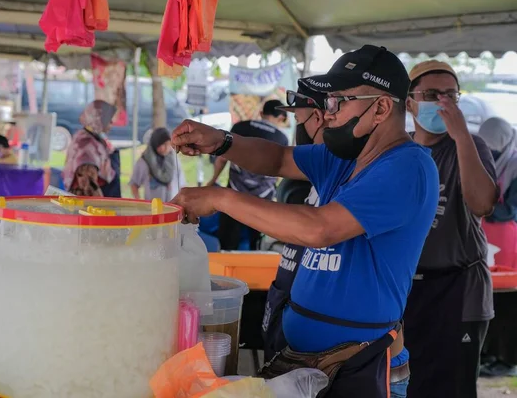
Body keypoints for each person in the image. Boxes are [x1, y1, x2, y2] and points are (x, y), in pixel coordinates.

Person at [171, 45, 439, 397]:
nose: (328, 114)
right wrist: (222, 142)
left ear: (382, 108)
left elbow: (319, 228)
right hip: (308, 362)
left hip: (360, 367)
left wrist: (219, 197)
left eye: (339, 102)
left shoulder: (407, 167)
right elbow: (278, 158)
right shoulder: (343, 159)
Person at [403, 60, 498, 398]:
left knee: (453, 387)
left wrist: (460, 137)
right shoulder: (400, 152)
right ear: (409, 101)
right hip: (407, 289)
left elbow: (482, 204)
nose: (443, 103)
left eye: (451, 95)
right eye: (432, 94)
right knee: (408, 383)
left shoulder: (470, 147)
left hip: (459, 288)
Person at [260, 78, 327, 362]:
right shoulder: (316, 172)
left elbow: (315, 227)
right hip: (286, 297)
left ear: (320, 117)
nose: (299, 129)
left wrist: (220, 199)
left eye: (299, 120)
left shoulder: (344, 173)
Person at [207, 99, 289, 250]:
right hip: (262, 200)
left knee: (227, 244)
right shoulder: (281, 138)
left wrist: (212, 181)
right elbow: (281, 170)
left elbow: (222, 159)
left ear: (261, 113)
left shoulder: (240, 127)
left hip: (234, 194)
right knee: (256, 244)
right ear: (281, 118)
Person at [478, 117, 517, 270]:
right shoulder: (477, 160)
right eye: (484, 148)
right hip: (479, 233)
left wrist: (478, 207)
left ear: (505, 146)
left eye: (493, 150)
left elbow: (510, 210)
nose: (488, 154)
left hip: (506, 235)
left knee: (502, 279)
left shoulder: (514, 167)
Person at [63, 100, 117, 197]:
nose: (112, 122)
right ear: (98, 119)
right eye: (108, 119)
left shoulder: (94, 138)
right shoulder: (86, 144)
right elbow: (87, 186)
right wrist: (103, 207)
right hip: (87, 203)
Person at [130, 127, 185, 201]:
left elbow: (181, 183)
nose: (167, 148)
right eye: (164, 144)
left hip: (173, 207)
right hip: (153, 209)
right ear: (156, 143)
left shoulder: (174, 159)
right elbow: (134, 184)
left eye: (169, 144)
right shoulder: (144, 161)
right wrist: (139, 200)